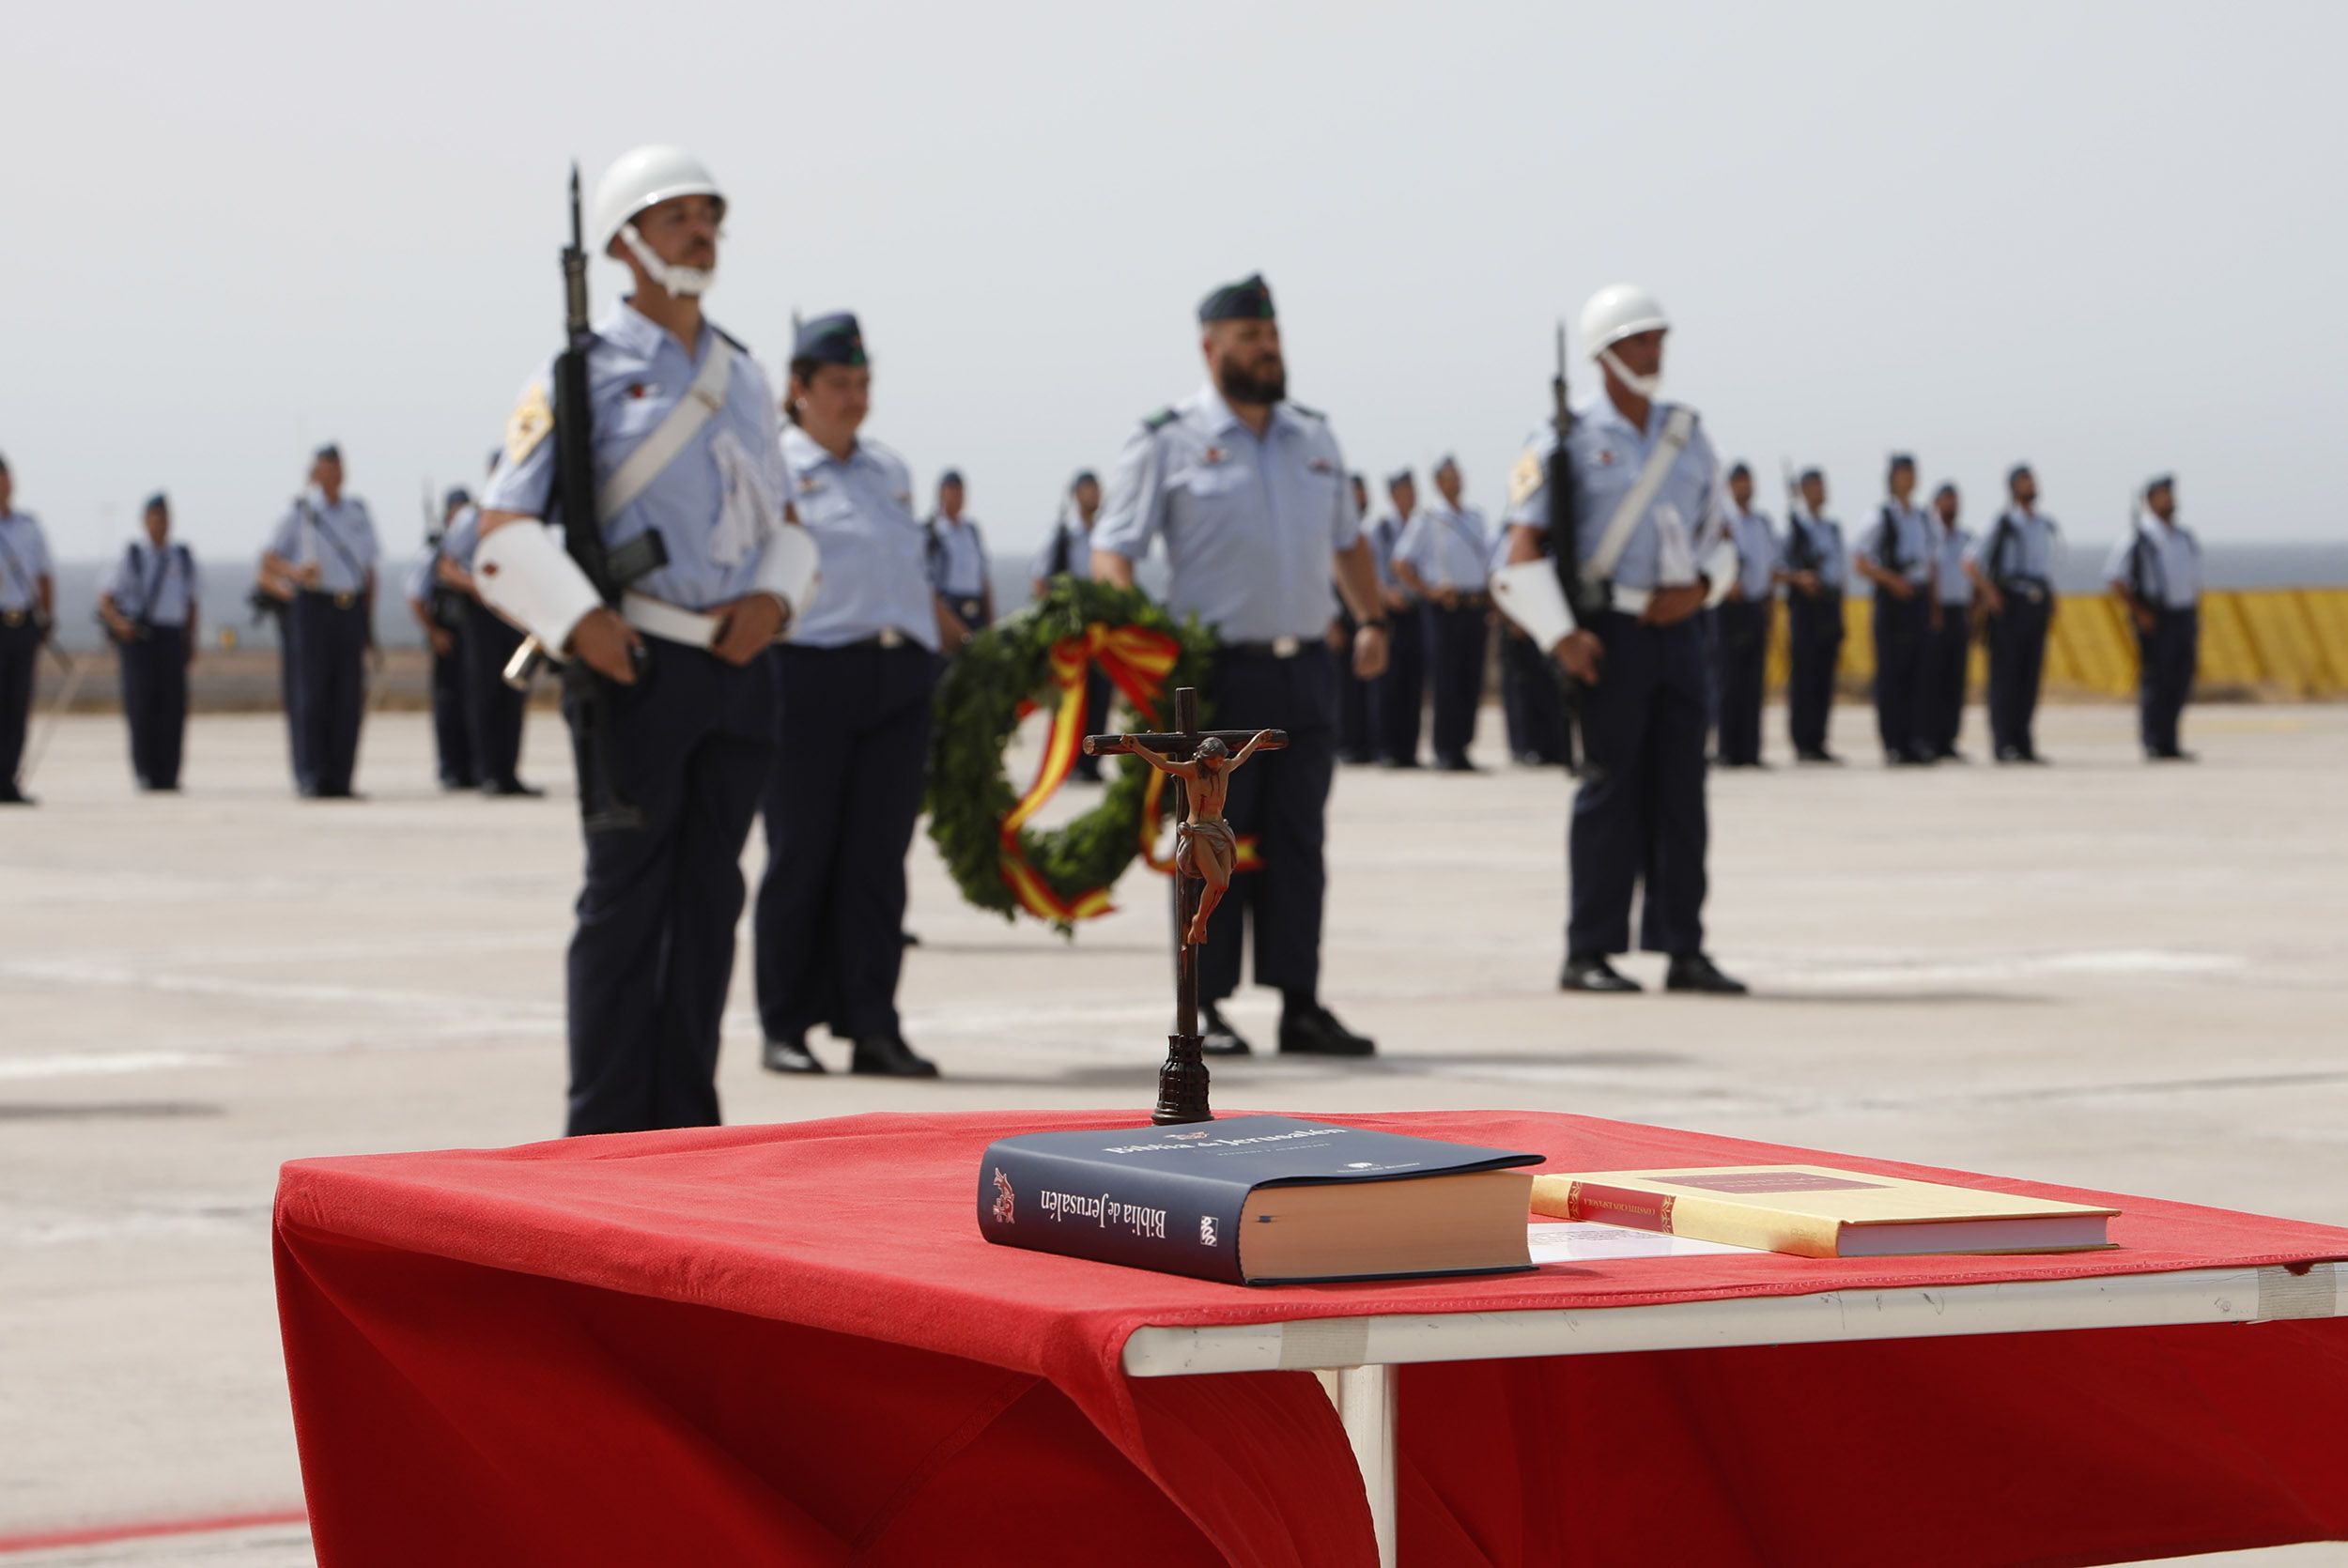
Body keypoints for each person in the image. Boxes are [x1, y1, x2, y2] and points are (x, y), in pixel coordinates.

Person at [474, 144, 813, 1135]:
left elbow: (788, 521)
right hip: (636, 669)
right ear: (624, 242)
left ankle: (682, 1125)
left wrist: (776, 602)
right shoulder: (575, 373)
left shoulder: (745, 374)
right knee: (626, 909)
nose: (700, 232)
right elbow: (501, 530)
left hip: (740, 669)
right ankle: (604, 1131)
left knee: (711, 903)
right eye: (677, 217)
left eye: (709, 215)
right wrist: (581, 621)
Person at [1092, 271, 1388, 1057]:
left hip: (1303, 673)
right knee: (1211, 839)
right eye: (1251, 338)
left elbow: (1348, 541)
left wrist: (1372, 616)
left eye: (1273, 335)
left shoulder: (1313, 437)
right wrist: (1134, 647)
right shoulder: (1169, 438)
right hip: (1213, 679)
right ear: (1211, 347)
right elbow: (1113, 549)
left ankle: (1300, 1002)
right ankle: (1209, 1005)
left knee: (1299, 841)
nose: (1268, 349)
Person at [1492, 283, 1744, 995]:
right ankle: (1589, 951)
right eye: (1638, 340)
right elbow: (1519, 551)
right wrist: (1563, 638)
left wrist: (1702, 590)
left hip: (1681, 628)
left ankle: (1683, 946)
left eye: (1658, 337)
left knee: (1683, 794)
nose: (1653, 350)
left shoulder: (1689, 436)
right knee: (1609, 796)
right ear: (1604, 355)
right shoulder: (1561, 440)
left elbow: (1722, 539)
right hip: (1605, 635)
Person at [754, 312, 943, 1079]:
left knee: (877, 861)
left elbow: (908, 581)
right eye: (838, 384)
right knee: (801, 854)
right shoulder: (772, 469)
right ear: (798, 390)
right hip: (807, 673)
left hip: (896, 677)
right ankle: (786, 1023)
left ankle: (873, 1024)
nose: (854, 399)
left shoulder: (888, 471)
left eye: (863, 384)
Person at [260, 444, 379, 798]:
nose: (334, 475)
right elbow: (268, 559)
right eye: (327, 468)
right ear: (315, 472)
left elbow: (369, 569)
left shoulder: (357, 512)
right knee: (311, 696)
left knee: (347, 697)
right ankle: (311, 775)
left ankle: (341, 778)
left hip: (350, 608)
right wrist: (295, 572)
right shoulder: (300, 512)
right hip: (313, 607)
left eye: (339, 468)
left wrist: (368, 624)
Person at [438, 469, 541, 796]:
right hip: (481, 616)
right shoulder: (472, 517)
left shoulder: (527, 516)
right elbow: (446, 567)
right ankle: (487, 772)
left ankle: (508, 772)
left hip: (514, 613)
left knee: (513, 692)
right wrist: (479, 586)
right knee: (484, 695)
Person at [98, 493, 201, 792]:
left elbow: (191, 601)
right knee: (141, 707)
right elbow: (106, 599)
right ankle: (145, 772)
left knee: (172, 708)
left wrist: (190, 640)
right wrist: (120, 626)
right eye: (154, 517)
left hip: (171, 637)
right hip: (139, 639)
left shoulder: (181, 556)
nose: (160, 524)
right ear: (145, 521)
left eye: (164, 518)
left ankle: (169, 774)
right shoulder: (131, 555)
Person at [1396, 454, 1492, 772]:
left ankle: (1463, 746)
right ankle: (1445, 749)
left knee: (1470, 677)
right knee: (1447, 679)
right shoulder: (1429, 517)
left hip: (1474, 605)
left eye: (1459, 475)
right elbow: (1401, 562)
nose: (1458, 482)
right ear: (1439, 482)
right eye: (1451, 477)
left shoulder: (1475, 517)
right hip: (1444, 607)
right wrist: (1428, 591)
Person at [1968, 464, 2060, 763]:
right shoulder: (2002, 523)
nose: (2030, 485)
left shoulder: (2043, 524)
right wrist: (1990, 593)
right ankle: (2004, 743)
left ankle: (2024, 743)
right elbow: (1969, 562)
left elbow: (2044, 566)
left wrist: (2051, 597)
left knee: (2029, 677)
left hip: (2036, 602)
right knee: (2005, 677)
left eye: (2032, 480)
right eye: (2024, 481)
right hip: (2010, 603)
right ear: (2012, 488)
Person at [2107, 474, 2201, 761]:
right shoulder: (2139, 538)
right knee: (2156, 682)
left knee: (2180, 681)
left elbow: (2194, 580)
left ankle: (2170, 741)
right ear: (2150, 501)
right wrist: (2140, 612)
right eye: (2162, 495)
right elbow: (2115, 578)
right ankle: (2153, 742)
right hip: (2156, 617)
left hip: (2183, 615)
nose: (2169, 500)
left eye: (2170, 494)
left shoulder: (2184, 537)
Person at [1852, 454, 1936, 766]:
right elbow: (1860, 562)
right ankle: (1893, 744)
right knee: (1892, 675)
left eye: (1913, 473)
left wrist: (1933, 605)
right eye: (1904, 474)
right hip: (1892, 601)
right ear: (1892, 478)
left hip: (1918, 598)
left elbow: (1932, 563)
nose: (1909, 479)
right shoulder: (1879, 517)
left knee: (1918, 673)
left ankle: (1915, 740)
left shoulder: (1923, 518)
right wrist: (1892, 581)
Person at [1030, 469, 1111, 781]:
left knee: (1101, 694)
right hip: (1070, 633)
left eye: (1096, 489)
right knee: (1070, 699)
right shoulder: (1061, 535)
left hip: (1102, 630)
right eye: (1087, 489)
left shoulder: (1106, 533)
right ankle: (1069, 761)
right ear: (1075, 494)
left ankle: (1092, 762)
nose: (1093, 496)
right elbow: (1040, 580)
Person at [406, 488, 477, 792]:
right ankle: (451, 769)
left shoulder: (475, 551)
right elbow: (415, 595)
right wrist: (433, 632)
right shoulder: (434, 553)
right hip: (447, 635)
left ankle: (474, 767)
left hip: (471, 637)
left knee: (474, 703)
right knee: (449, 705)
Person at [1492, 512, 1573, 768]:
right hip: (1521, 627)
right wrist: (1515, 619)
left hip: (1549, 626)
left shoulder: (1554, 542)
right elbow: (1499, 583)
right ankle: (1528, 747)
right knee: (1524, 690)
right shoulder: (1508, 541)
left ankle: (1556, 747)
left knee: (1552, 688)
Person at [1712, 462, 1777, 768]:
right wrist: (1727, 583)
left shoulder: (1762, 523)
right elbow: (1710, 556)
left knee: (1753, 683)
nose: (1744, 487)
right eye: (1738, 482)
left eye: (1748, 481)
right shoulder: (1722, 520)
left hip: (1755, 606)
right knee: (1729, 681)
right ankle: (1728, 749)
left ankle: (1750, 751)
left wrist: (1771, 611)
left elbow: (1770, 569)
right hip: (1729, 609)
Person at [0, 454, 54, 805]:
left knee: (17, 706)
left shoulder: (29, 527)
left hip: (23, 625)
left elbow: (45, 575)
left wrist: (47, 618)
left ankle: (8, 781)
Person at [1783, 468, 1846, 762]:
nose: (1820, 492)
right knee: (1804, 676)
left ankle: (1819, 740)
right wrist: (1800, 579)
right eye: (1813, 487)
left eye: (1822, 486)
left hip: (1828, 604)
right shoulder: (1794, 529)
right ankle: (1802, 742)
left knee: (1823, 676)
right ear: (1803, 491)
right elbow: (1778, 568)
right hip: (1805, 607)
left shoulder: (1832, 528)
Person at [1367, 469, 1427, 768]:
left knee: (1413, 682)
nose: (1411, 496)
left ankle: (1409, 750)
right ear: (1393, 495)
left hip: (1417, 610)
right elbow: (1373, 573)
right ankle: (1388, 749)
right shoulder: (1381, 529)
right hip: (1389, 612)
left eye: (1413, 489)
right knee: (1389, 683)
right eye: (1405, 490)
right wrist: (1387, 595)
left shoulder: (1422, 525)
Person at [1921, 482, 1975, 761]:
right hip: (1935, 613)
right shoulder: (1930, 536)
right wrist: (1933, 611)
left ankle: (1948, 739)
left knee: (1956, 679)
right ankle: (1929, 738)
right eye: (1946, 501)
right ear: (1936, 505)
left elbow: (1975, 575)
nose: (1951, 506)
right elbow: (1929, 574)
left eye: (1955, 500)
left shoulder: (1966, 537)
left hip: (1960, 612)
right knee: (1933, 680)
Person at [1332, 473, 1380, 764]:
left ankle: (1368, 743)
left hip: (1365, 619)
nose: (1359, 498)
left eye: (1362, 493)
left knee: (1369, 688)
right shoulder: (1330, 532)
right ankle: (1347, 745)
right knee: (1344, 690)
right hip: (1341, 618)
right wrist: (1330, 622)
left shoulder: (1372, 530)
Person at [925, 469, 991, 654]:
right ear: (941, 493)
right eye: (952, 490)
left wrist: (989, 620)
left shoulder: (971, 531)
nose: (957, 496)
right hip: (948, 609)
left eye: (961, 491)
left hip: (974, 609)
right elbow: (926, 582)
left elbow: (983, 578)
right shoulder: (932, 531)